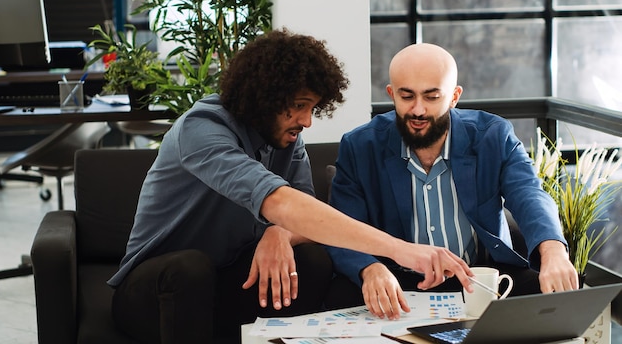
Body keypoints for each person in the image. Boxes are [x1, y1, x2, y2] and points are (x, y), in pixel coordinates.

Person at [108, 31, 475, 344]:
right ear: (263, 97)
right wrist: (402, 251)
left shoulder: (287, 138)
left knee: (311, 260)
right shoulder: (202, 129)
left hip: (224, 281)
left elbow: (302, 217)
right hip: (156, 292)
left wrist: (279, 235)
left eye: (312, 107)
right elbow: (279, 201)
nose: (307, 121)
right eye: (299, 107)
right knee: (191, 268)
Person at [324, 43, 579, 319]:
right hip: (395, 277)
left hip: (478, 276)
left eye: (432, 97)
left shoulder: (493, 135)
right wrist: (369, 269)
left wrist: (553, 251)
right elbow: (341, 226)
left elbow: (528, 193)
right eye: (406, 96)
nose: (418, 110)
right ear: (391, 94)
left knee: (552, 309)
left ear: (454, 97)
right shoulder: (360, 146)